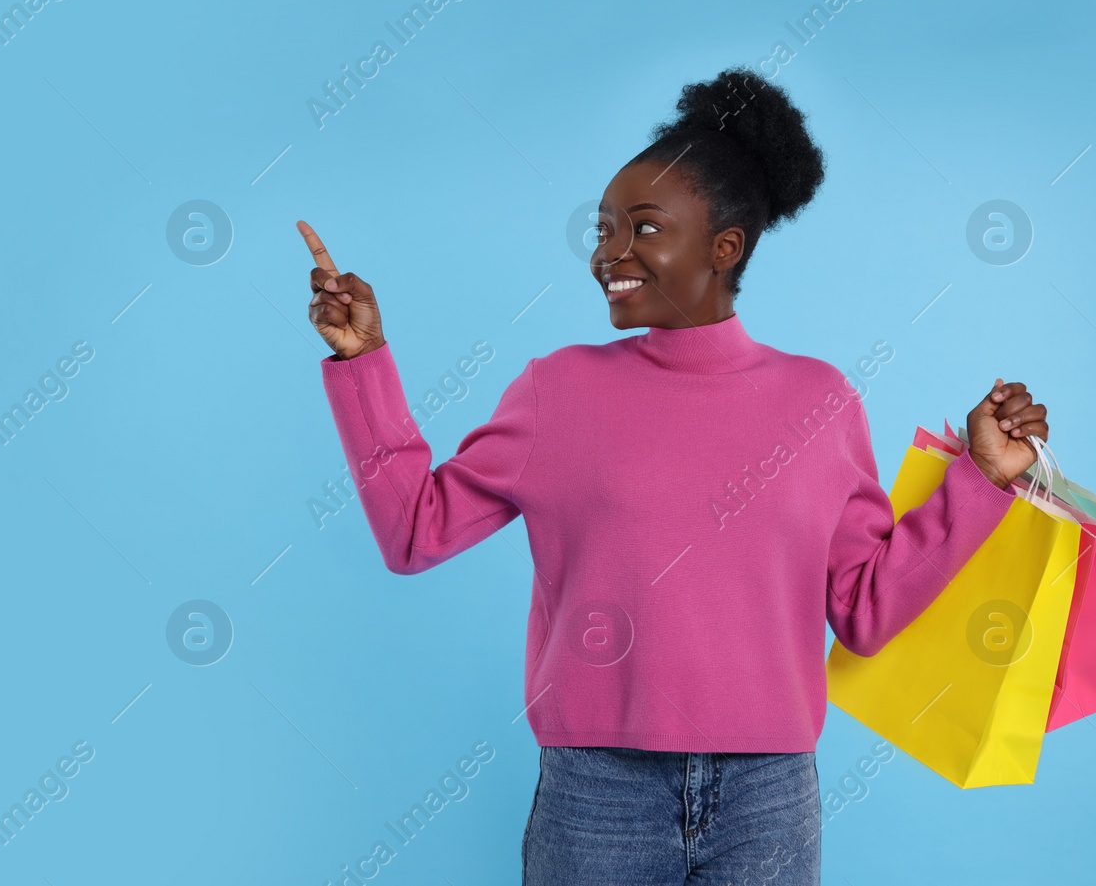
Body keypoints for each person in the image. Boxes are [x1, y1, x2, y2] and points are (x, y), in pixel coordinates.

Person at [298, 66, 1049, 885]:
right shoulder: (559, 388)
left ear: (723, 247)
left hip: (769, 796)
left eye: (643, 229)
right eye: (603, 229)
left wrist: (981, 476)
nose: (607, 255)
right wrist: (365, 361)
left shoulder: (821, 401)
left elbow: (865, 611)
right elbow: (414, 530)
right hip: (596, 791)